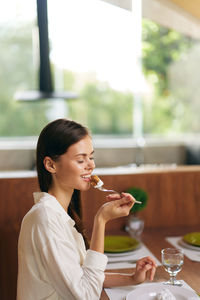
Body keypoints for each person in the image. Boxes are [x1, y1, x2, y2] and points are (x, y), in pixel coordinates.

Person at [17, 118, 156, 300]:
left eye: (91, 157)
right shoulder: (45, 219)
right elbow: (86, 295)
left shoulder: (57, 212)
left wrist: (132, 278)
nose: (91, 165)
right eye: (81, 160)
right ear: (51, 165)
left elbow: (82, 276)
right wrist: (101, 220)